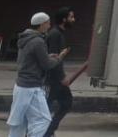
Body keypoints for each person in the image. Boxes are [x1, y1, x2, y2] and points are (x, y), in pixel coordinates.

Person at [8, 12, 68, 137]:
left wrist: (47, 56)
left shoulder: (25, 38)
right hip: (32, 87)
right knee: (44, 120)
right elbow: (46, 64)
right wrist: (59, 58)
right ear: (41, 24)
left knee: (19, 121)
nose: (49, 25)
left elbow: (33, 58)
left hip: (21, 86)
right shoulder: (38, 41)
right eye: (48, 23)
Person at [44, 7, 76, 137]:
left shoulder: (59, 33)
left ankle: (47, 131)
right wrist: (62, 77)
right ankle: (45, 132)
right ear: (64, 19)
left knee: (64, 103)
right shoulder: (55, 34)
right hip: (53, 79)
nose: (73, 20)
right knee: (49, 106)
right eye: (71, 17)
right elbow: (53, 58)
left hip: (56, 78)